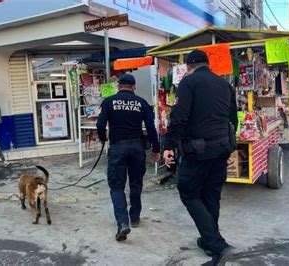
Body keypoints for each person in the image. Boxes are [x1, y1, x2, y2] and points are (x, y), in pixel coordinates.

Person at [163, 50, 238, 265]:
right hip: (222, 148)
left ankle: (218, 245)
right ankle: (208, 241)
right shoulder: (225, 85)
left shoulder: (189, 82)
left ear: (188, 66)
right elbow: (233, 119)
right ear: (208, 64)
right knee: (211, 195)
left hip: (198, 150)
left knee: (188, 193)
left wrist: (169, 145)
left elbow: (179, 116)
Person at [96, 73, 160, 242]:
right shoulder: (141, 103)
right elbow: (151, 128)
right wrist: (156, 148)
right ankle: (135, 217)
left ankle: (122, 222)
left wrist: (103, 138)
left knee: (117, 186)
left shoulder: (109, 102)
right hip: (137, 147)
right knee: (136, 183)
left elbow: (100, 125)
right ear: (134, 87)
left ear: (118, 86)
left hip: (117, 147)